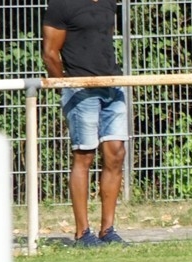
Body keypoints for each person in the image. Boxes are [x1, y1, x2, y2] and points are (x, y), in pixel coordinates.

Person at [42, 0, 129, 247]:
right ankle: (83, 233)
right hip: (80, 88)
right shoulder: (62, 5)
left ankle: (108, 230)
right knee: (84, 155)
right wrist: (65, 86)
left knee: (116, 153)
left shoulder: (109, 3)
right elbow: (50, 53)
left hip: (113, 84)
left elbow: (102, 39)